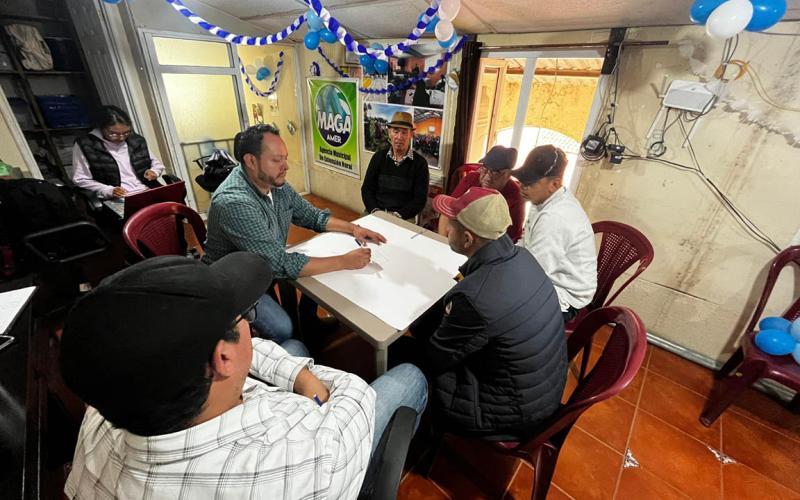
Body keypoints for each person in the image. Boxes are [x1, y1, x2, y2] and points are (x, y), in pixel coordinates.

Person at [60, 252, 428, 499]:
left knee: (295, 352)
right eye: (244, 317)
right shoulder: (304, 458)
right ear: (222, 358)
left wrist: (299, 375)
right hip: (317, 453)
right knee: (410, 375)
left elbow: (254, 353)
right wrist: (314, 395)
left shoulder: (102, 411)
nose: (251, 324)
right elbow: (354, 392)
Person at [203, 124, 386, 343]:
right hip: (233, 285)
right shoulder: (234, 202)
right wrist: (344, 261)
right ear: (251, 161)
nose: (286, 166)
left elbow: (313, 216)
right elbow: (279, 264)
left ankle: (309, 324)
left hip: (260, 266)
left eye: (285, 158)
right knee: (283, 329)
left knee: (314, 274)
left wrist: (355, 228)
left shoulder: (273, 182)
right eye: (276, 160)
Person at [410, 187, 567, 439]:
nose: (446, 228)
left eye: (451, 224)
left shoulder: (475, 299)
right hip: (542, 390)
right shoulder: (523, 257)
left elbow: (436, 357)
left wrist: (418, 325)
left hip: (509, 410)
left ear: (468, 239)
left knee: (409, 357)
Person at [515, 145, 597, 322]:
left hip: (565, 295)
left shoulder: (556, 218)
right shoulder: (542, 200)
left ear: (554, 184)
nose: (522, 187)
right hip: (546, 275)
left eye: (529, 183)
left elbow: (533, 273)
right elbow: (526, 243)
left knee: (498, 309)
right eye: (522, 180)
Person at [72, 105, 165, 200]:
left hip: (147, 190)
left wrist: (154, 171)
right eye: (114, 134)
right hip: (119, 198)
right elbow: (81, 179)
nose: (121, 138)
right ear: (101, 128)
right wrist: (108, 190)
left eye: (126, 132)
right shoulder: (86, 144)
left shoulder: (136, 140)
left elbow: (157, 164)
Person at [438, 145, 524, 242]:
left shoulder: (515, 195)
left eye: (495, 173)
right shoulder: (471, 179)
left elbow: (511, 238)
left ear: (507, 174)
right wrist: (443, 242)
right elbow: (447, 213)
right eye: (484, 169)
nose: (487, 177)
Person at [361, 111, 429, 221]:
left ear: (411, 135)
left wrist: (398, 215)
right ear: (389, 133)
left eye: (404, 132)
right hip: (376, 211)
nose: (399, 137)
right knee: (357, 235)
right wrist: (375, 211)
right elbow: (367, 189)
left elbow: (419, 199)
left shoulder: (420, 164)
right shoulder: (378, 157)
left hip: (403, 216)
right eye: (396, 131)